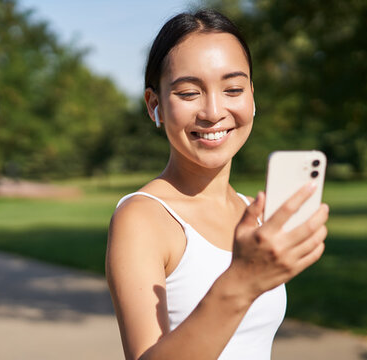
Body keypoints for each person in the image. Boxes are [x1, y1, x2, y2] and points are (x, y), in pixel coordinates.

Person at [106, 10, 330, 360]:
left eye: (233, 89)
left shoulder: (249, 211)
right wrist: (241, 282)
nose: (213, 111)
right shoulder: (143, 217)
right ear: (155, 105)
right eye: (189, 92)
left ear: (252, 97)